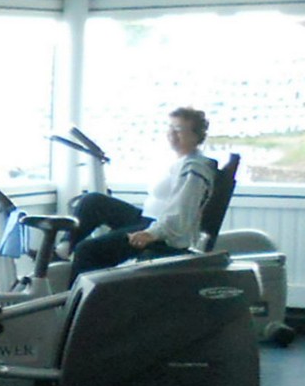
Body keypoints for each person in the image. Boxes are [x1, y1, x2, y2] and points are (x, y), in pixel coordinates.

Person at [66, 107, 217, 273]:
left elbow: (181, 215)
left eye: (179, 130)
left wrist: (151, 234)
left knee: (86, 250)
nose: (172, 134)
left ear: (196, 136)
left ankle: (78, 291)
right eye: (170, 127)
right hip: (147, 219)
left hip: (164, 235)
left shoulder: (194, 168)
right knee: (93, 201)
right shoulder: (181, 161)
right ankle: (62, 249)